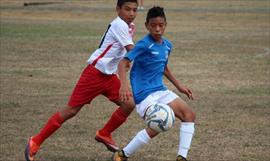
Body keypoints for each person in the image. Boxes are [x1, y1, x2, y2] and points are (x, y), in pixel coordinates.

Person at [24, 0, 138, 161]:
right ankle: (35, 141)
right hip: (94, 74)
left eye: (134, 10)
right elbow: (131, 50)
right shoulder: (119, 24)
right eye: (127, 9)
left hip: (109, 76)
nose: (132, 14)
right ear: (118, 9)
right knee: (71, 110)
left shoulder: (130, 26)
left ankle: (104, 134)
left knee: (129, 103)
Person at [113, 6, 196, 161]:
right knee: (159, 124)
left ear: (165, 25)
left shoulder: (167, 45)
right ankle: (122, 155)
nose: (157, 29)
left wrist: (179, 86)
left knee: (189, 115)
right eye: (153, 25)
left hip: (160, 90)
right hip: (144, 95)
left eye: (161, 25)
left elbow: (163, 67)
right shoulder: (144, 44)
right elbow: (123, 63)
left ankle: (182, 157)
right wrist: (124, 85)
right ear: (147, 25)